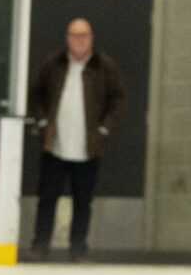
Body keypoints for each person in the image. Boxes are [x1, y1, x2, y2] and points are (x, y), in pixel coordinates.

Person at [25, 18, 127, 262]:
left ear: (91, 38)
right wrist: (42, 123)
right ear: (67, 38)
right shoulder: (53, 64)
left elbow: (119, 99)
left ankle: (78, 249)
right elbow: (35, 94)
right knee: (47, 199)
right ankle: (40, 246)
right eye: (74, 35)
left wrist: (104, 128)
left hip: (87, 148)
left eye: (84, 35)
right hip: (55, 146)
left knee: (83, 201)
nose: (79, 40)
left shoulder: (104, 67)